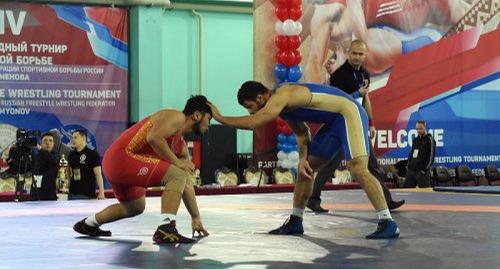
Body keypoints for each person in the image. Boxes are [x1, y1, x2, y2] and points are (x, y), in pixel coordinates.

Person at [210, 81, 400, 239]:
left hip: (349, 113)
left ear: (260, 98)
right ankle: (296, 220)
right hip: (334, 121)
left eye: (250, 107)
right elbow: (302, 133)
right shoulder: (284, 108)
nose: (251, 112)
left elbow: (255, 122)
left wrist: (219, 118)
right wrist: (302, 159)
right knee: (306, 168)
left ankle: (388, 222)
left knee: (357, 168)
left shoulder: (284, 93)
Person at [73, 96, 211, 244]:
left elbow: (185, 182)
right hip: (121, 158)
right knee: (177, 174)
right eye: (209, 119)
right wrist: (177, 162)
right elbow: (154, 137)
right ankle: (166, 227)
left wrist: (195, 217)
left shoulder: (181, 146)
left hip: (116, 165)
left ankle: (88, 224)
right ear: (197, 115)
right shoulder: (176, 116)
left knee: (135, 206)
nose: (209, 125)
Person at [307, 40, 404, 213]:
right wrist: (357, 93)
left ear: (365, 55)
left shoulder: (365, 74)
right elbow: (336, 101)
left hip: (358, 122)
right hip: (340, 124)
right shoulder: (339, 75)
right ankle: (313, 199)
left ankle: (386, 200)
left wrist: (371, 123)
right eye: (354, 53)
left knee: (372, 164)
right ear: (348, 53)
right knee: (330, 164)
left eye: (360, 54)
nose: (357, 57)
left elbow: (366, 99)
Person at [304, 0, 470, 81]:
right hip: (386, 46)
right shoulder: (330, 14)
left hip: (423, 39)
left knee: (372, 44)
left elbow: (467, 15)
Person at [67, 129, 106, 200]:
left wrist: (101, 192)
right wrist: (69, 184)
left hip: (87, 194)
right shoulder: (71, 154)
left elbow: (98, 174)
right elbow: (69, 170)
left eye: (75, 137)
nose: (73, 140)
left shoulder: (93, 154)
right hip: (72, 193)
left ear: (83, 138)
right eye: (72, 138)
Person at [403, 120, 435, 188]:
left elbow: (431, 157)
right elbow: (411, 153)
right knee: (405, 189)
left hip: (422, 173)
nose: (418, 130)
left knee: (425, 194)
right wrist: (408, 165)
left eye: (420, 128)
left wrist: (424, 170)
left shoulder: (429, 140)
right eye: (417, 129)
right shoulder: (415, 140)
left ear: (425, 128)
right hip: (412, 171)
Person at [35, 132, 59, 200]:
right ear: (41, 143)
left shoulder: (56, 156)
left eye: (50, 141)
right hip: (36, 193)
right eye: (45, 140)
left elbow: (51, 159)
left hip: (49, 194)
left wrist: (40, 149)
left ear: (53, 144)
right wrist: (8, 159)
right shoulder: (35, 156)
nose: (48, 143)